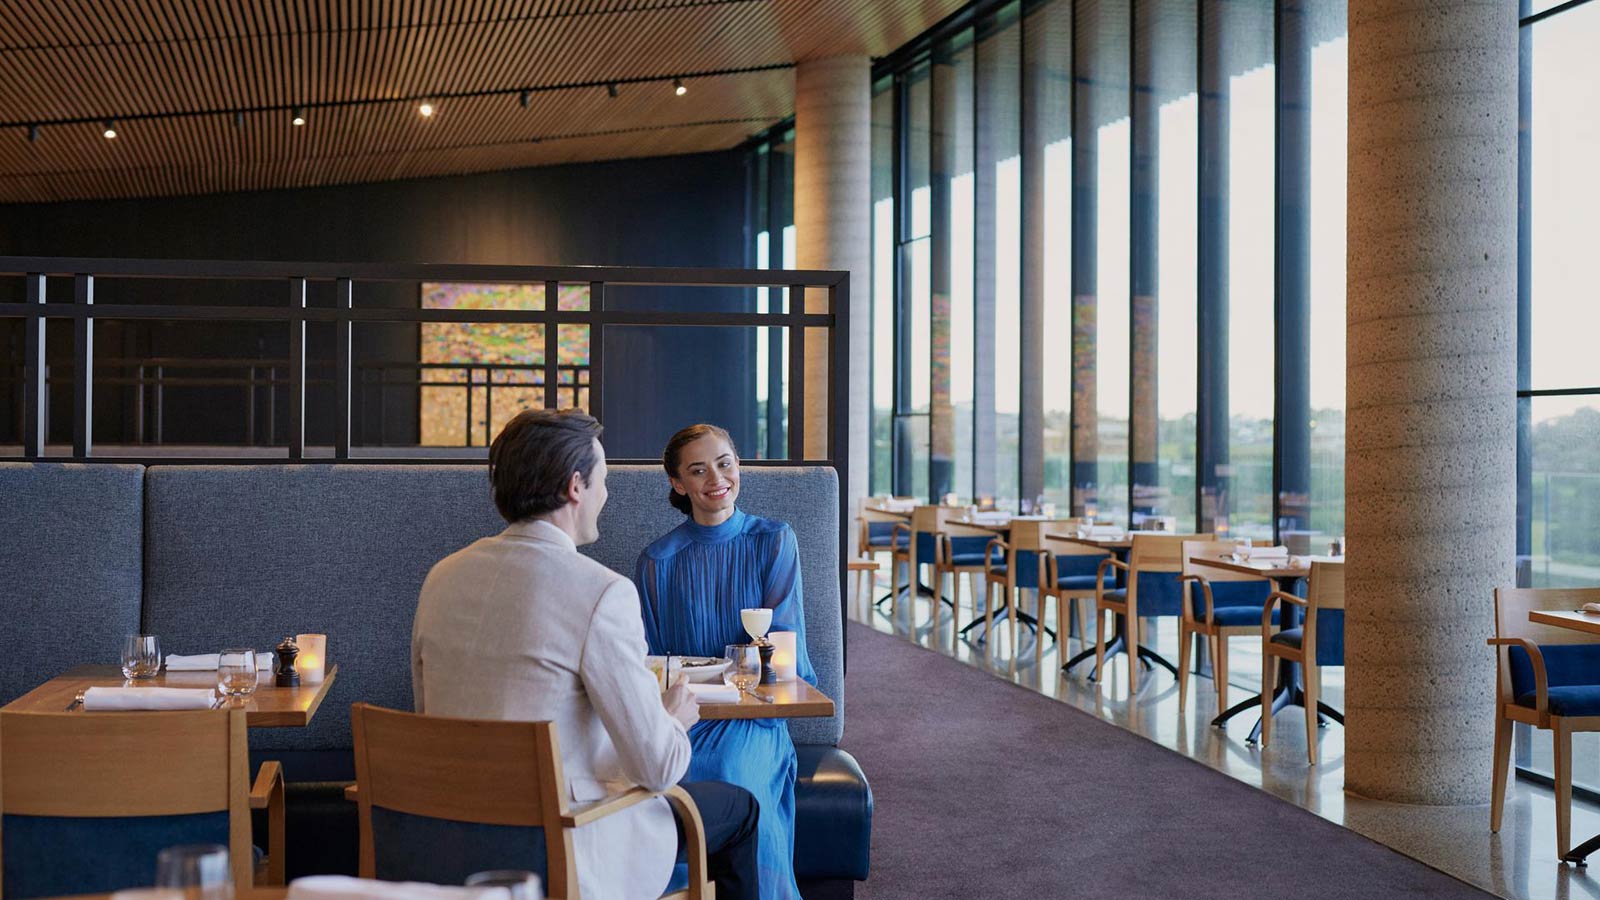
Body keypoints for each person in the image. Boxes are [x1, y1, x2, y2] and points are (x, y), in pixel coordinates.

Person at [411, 409, 761, 900]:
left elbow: (428, 717)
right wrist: (672, 719)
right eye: (603, 480)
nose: (607, 494)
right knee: (741, 810)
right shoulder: (602, 592)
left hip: (450, 837)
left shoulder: (441, 578)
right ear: (576, 487)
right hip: (564, 841)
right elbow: (658, 768)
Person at [634, 424, 817, 900]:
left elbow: (787, 651)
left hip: (754, 716)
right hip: (685, 714)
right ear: (679, 484)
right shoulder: (657, 560)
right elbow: (652, 664)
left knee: (733, 770)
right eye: (698, 470)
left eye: (725, 463)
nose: (716, 477)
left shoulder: (774, 540)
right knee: (662, 780)